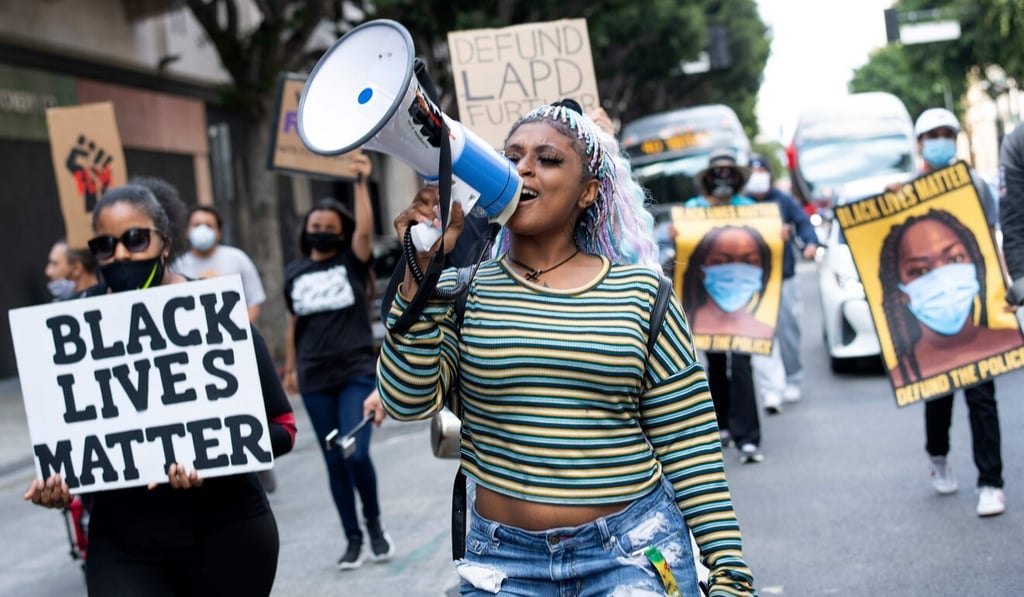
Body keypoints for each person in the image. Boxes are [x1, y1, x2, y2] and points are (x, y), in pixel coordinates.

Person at [378, 100, 756, 595]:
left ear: (588, 192)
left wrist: (729, 572)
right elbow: (405, 402)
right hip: (503, 565)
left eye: (548, 159)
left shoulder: (643, 294)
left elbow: (690, 446)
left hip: (633, 554)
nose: (524, 168)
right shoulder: (459, 291)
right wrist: (419, 271)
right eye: (510, 157)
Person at [23, 183, 297, 595]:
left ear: (164, 242)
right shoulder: (69, 327)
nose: (120, 255)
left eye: (135, 240)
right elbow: (67, 443)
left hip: (228, 534)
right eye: (104, 245)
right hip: (125, 546)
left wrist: (209, 455)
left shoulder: (215, 314)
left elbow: (283, 426)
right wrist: (59, 486)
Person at [283, 153, 394, 570]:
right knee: (333, 461)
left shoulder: (351, 261)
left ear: (342, 234)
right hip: (315, 378)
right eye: (317, 228)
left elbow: (364, 229)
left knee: (356, 453)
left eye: (331, 229)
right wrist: (292, 368)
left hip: (354, 373)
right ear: (306, 232)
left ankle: (375, 525)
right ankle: (353, 540)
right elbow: (294, 323)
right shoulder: (293, 272)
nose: (323, 233)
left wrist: (361, 183)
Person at [908, 108, 1010, 517]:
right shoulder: (905, 192)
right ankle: (938, 455)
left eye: (945, 133)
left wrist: (1004, 287)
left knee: (982, 395)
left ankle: (991, 482)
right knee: (938, 393)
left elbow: (989, 237)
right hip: (931, 310)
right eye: (931, 134)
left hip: (970, 301)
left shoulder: (976, 185)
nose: (939, 140)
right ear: (919, 144)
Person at [684, 149, 764, 464]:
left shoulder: (750, 208)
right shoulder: (694, 209)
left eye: (729, 172)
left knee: (742, 362)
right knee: (715, 361)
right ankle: (724, 425)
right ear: (708, 177)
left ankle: (748, 437)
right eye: (717, 172)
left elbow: (765, 240)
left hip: (743, 298)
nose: (723, 178)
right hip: (709, 297)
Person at [745, 155, 818, 413]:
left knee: (788, 329)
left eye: (761, 169)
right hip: (754, 281)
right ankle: (770, 390)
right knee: (761, 334)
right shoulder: (741, 203)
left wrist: (810, 242)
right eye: (751, 170)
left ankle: (792, 377)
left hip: (784, 276)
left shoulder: (783, 200)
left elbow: (803, 223)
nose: (756, 174)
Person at [173, 205, 267, 322]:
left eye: (209, 225)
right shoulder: (177, 266)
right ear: (187, 231)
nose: (202, 230)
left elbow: (253, 303)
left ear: (219, 233)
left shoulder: (238, 259)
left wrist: (241, 332)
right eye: (197, 225)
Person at [681, 225, 774, 338]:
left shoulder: (767, 332)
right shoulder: (681, 327)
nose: (736, 272)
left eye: (749, 262)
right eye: (720, 262)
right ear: (700, 269)